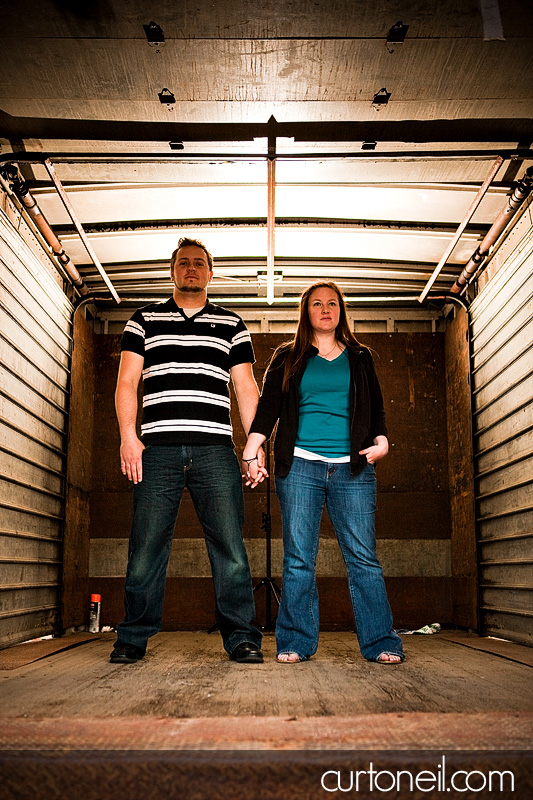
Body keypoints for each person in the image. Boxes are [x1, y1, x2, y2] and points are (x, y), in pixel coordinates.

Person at [110, 237, 263, 665]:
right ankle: (133, 636)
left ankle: (241, 637)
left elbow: (246, 388)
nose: (191, 269)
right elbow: (127, 384)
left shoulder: (232, 324)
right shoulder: (144, 320)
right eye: (184, 263)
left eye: (199, 263)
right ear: (172, 271)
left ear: (211, 274)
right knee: (146, 547)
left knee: (230, 548)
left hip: (216, 451)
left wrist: (254, 447)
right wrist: (128, 436)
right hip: (156, 450)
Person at [241, 282, 404, 665]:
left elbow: (376, 407)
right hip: (299, 468)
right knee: (299, 557)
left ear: (341, 311)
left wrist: (382, 442)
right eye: (317, 303)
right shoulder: (288, 357)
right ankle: (295, 641)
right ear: (306, 311)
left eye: (332, 303)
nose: (325, 309)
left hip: (353, 469)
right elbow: (268, 409)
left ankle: (381, 641)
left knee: (363, 557)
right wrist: (251, 450)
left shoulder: (361, 357)